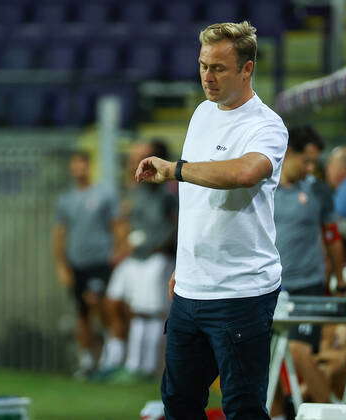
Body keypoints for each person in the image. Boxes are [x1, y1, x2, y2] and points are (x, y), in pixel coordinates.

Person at [134, 21, 288, 419]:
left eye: (219, 68)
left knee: (242, 408)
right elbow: (197, 203)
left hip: (241, 292)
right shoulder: (202, 113)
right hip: (190, 290)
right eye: (203, 65)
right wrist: (182, 267)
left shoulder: (265, 125)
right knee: (179, 404)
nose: (207, 76)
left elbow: (245, 173)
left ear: (246, 69)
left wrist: (175, 170)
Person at [269, 126, 340, 418]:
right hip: (268, 286)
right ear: (288, 154)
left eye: (315, 162)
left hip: (307, 286)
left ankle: (330, 414)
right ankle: (276, 414)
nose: (311, 168)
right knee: (265, 358)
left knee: (300, 352)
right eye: (306, 161)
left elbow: (333, 237)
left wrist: (341, 276)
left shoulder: (319, 191)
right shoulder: (263, 186)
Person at [102, 139, 178, 382]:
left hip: (156, 257)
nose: (136, 160)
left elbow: (176, 225)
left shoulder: (167, 192)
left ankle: (143, 367)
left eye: (142, 155)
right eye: (134, 156)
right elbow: (124, 221)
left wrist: (160, 246)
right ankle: (115, 359)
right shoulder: (133, 190)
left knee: (149, 311)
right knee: (113, 302)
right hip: (133, 257)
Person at [52, 151, 122, 378]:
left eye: (82, 165)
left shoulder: (104, 195)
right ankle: (86, 360)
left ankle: (110, 356)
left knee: (99, 304)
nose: (78, 169)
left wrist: (117, 253)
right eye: (74, 165)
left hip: (100, 260)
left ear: (89, 166)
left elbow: (117, 225)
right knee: (82, 313)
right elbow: (60, 234)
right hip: (77, 262)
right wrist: (62, 265)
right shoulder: (66, 199)